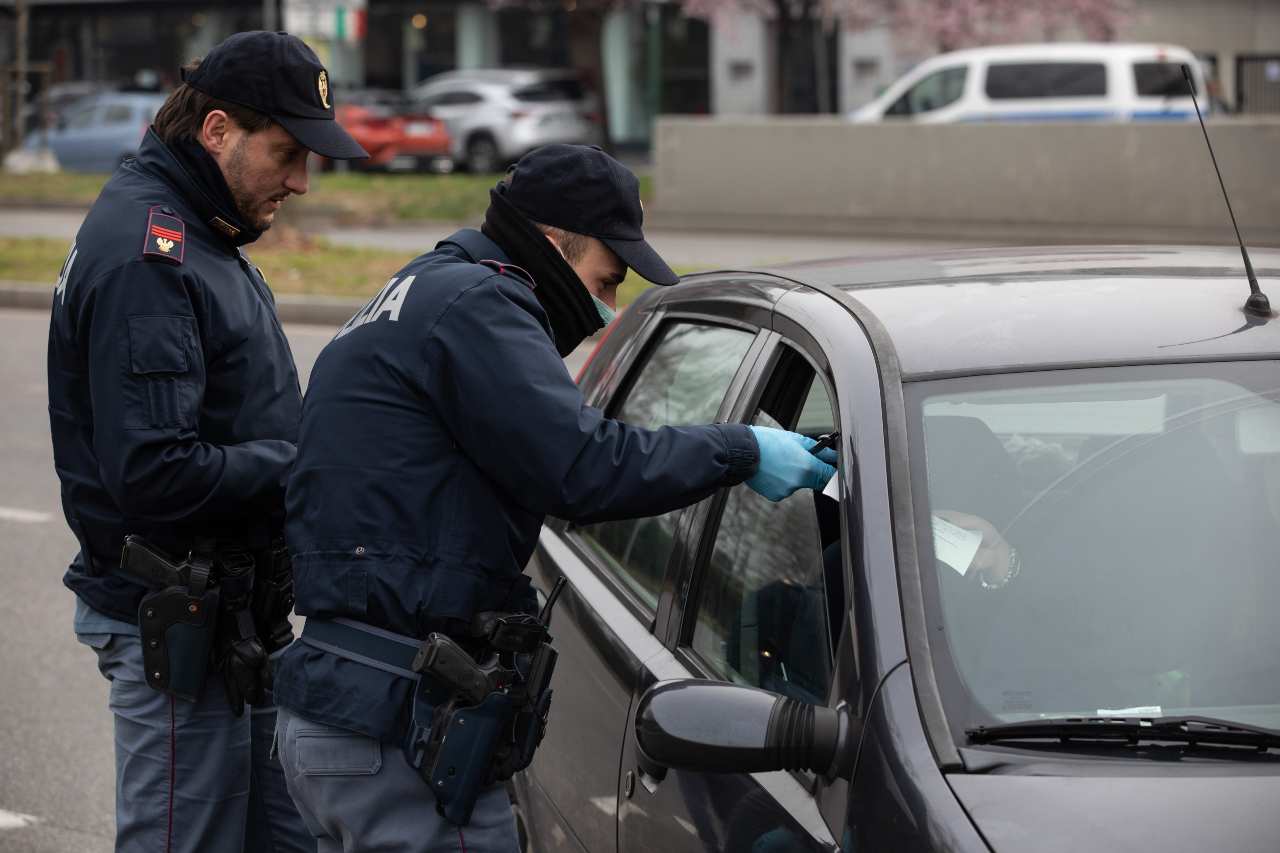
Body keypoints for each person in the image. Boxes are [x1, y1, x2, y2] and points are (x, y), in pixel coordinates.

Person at [272, 144, 836, 852]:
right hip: (397, 725)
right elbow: (582, 467)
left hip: (342, 706)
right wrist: (742, 449)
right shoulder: (481, 302)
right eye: (607, 277)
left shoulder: (417, 292)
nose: (604, 310)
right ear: (552, 241)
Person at [46, 31, 368, 853]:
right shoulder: (152, 254)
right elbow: (156, 472)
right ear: (217, 130)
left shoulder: (200, 225)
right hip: (181, 629)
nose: (300, 181)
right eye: (287, 153)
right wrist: (309, 461)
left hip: (234, 623)